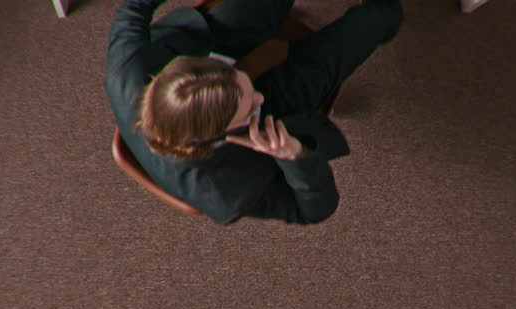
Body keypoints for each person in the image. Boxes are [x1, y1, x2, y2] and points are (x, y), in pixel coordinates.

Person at [105, 0, 403, 225]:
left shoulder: (127, 68)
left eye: (243, 83)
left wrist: (240, 91)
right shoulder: (224, 192)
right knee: (378, 19)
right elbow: (313, 210)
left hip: (213, 40)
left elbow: (134, 7)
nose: (258, 95)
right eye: (249, 103)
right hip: (273, 121)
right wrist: (295, 156)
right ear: (220, 131)